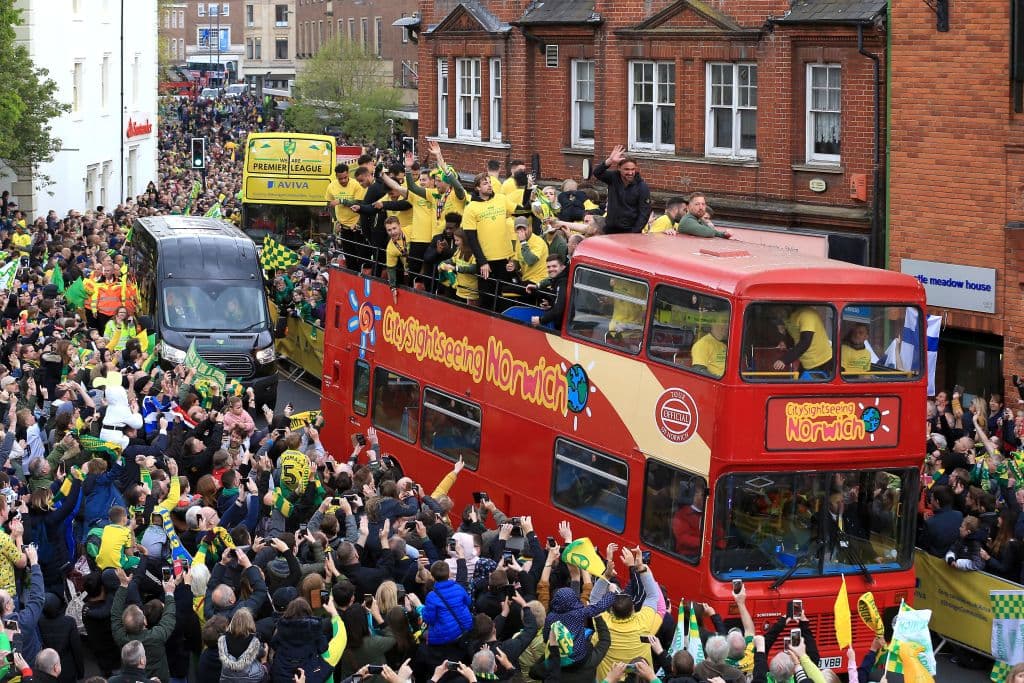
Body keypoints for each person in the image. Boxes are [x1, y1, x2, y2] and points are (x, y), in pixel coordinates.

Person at [461, 173, 514, 311]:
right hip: (486, 262)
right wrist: (482, 261)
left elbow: (521, 210)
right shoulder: (471, 207)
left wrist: (529, 191)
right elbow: (471, 239)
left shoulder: (501, 199)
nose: (490, 185)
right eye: (485, 183)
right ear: (477, 188)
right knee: (488, 298)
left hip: (504, 259)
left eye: (490, 182)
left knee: (505, 297)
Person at [593, 145, 652, 234]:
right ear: (619, 168)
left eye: (633, 169)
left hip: (629, 232)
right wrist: (610, 160)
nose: (630, 172)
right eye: (626, 169)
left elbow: (644, 213)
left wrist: (633, 233)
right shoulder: (613, 178)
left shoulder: (642, 187)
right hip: (610, 229)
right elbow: (597, 172)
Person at [772, 306, 833, 376]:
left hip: (820, 361)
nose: (776, 313)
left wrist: (784, 360)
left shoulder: (807, 315)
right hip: (805, 361)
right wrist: (786, 343)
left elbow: (805, 342)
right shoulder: (788, 317)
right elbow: (795, 336)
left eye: (777, 309)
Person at [530, 256, 567, 329]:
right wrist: (550, 306)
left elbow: (558, 309)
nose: (551, 269)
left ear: (562, 267)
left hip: (561, 327)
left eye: (554, 266)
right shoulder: (557, 279)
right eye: (548, 267)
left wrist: (541, 320)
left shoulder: (562, 282)